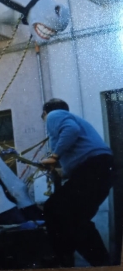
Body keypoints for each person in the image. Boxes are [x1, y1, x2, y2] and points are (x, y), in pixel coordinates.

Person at [40, 98, 114, 267]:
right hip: (101, 169)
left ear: (45, 113)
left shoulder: (54, 114)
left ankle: (61, 258)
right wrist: (61, 171)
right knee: (76, 219)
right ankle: (102, 262)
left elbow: (70, 131)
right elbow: (77, 160)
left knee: (53, 208)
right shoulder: (75, 120)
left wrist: (54, 156)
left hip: (93, 168)